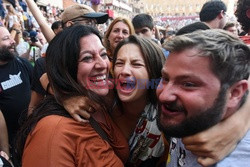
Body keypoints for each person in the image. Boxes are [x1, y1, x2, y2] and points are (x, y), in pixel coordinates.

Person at [15, 25, 129, 166]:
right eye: (87, 58)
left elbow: (146, 83)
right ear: (66, 67)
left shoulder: (99, 100)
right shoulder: (52, 131)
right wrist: (64, 95)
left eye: (103, 54)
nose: (102, 64)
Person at [157, 29, 250, 166]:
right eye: (165, 78)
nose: (164, 95)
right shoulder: (190, 118)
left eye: (188, 84)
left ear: (235, 93)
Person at [112, 35, 167, 166]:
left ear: (153, 74)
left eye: (136, 64)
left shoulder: (169, 120)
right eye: (119, 63)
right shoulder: (99, 107)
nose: (124, 71)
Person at [0, 25, 33, 155]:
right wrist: (5, 150)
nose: (13, 41)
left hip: (32, 133)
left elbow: (39, 89)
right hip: (10, 144)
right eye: (6, 38)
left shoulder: (22, 63)